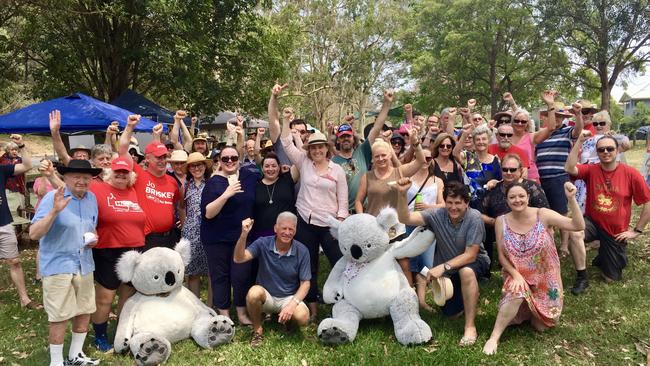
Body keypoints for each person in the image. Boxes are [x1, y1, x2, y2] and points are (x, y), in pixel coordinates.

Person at [482, 182, 585, 355]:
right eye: (512, 197)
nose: (517, 200)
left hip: (546, 278)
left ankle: (530, 311)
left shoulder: (542, 214)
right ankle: (494, 338)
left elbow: (578, 225)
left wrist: (571, 199)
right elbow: (501, 256)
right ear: (507, 201)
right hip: (517, 274)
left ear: (528, 198)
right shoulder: (501, 221)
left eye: (521, 196)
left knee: (541, 326)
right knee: (517, 292)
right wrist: (515, 275)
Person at [396, 180, 489, 347]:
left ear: (466, 203)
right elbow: (406, 218)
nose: (453, 207)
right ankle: (470, 295)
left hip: (475, 262)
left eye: (458, 203)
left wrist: (443, 266)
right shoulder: (437, 215)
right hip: (450, 270)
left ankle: (470, 327)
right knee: (450, 314)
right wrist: (402, 194)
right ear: (445, 202)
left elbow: (470, 255)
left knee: (466, 272)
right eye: (450, 203)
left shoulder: (474, 218)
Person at [29, 159, 102, 366]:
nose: (82, 181)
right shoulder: (53, 197)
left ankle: (75, 356)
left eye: (86, 177)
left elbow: (91, 227)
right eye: (76, 177)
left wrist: (93, 239)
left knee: (84, 310)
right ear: (66, 178)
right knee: (59, 315)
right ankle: (56, 362)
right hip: (58, 265)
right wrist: (54, 211)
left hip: (85, 263)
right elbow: (34, 234)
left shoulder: (92, 198)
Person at [281, 113, 348, 320]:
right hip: (306, 222)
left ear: (327, 148)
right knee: (308, 265)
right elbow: (285, 142)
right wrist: (285, 120)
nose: (317, 150)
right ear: (308, 150)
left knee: (339, 262)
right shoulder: (303, 162)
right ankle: (312, 308)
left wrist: (340, 223)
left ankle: (344, 303)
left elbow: (343, 201)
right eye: (313, 147)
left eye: (321, 147)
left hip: (329, 224)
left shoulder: (337, 170)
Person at [565, 133, 650, 284]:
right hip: (593, 223)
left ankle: (604, 256)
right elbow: (569, 167)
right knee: (574, 232)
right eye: (601, 149)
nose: (605, 152)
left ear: (617, 151)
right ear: (597, 152)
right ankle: (582, 276)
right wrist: (579, 141)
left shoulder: (631, 174)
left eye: (610, 149)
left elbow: (647, 202)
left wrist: (637, 231)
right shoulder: (592, 170)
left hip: (615, 231)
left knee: (610, 279)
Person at [88, 157, 145, 352]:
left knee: (128, 294)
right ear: (109, 172)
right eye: (117, 171)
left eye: (125, 172)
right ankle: (100, 336)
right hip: (108, 249)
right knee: (105, 297)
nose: (121, 175)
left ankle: (122, 332)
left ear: (131, 174)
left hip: (134, 249)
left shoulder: (134, 191)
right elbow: (72, 186)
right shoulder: (98, 188)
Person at [201, 145, 259, 325]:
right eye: (225, 159)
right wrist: (227, 194)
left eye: (233, 158)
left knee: (241, 275)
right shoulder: (213, 182)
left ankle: (241, 313)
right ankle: (224, 314)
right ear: (219, 161)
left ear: (239, 159)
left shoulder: (249, 177)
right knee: (220, 276)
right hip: (216, 238)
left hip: (242, 236)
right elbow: (208, 213)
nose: (229, 162)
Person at [235, 213, 311, 347]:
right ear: (276, 228)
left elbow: (305, 283)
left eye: (291, 229)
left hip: (289, 298)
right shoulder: (263, 243)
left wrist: (291, 306)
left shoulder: (302, 250)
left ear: (295, 230)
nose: (287, 233)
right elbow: (239, 258)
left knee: (303, 317)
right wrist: (243, 234)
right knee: (253, 293)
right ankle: (257, 329)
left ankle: (287, 321)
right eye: (284, 228)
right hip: (267, 296)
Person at [118, 115, 182, 250]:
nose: (162, 160)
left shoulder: (172, 182)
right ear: (147, 159)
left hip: (170, 237)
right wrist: (130, 126)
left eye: (164, 157)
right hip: (147, 239)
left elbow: (179, 206)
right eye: (158, 157)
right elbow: (123, 149)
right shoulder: (139, 176)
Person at [482, 154, 549, 268]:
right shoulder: (494, 189)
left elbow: (545, 212)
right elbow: (480, 213)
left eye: (512, 169)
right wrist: (495, 222)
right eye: (505, 169)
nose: (508, 172)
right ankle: (488, 266)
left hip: (529, 232)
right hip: (500, 231)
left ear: (521, 170)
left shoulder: (532, 187)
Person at [331, 90, 393, 212]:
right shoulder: (334, 162)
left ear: (353, 138)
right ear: (338, 140)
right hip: (346, 213)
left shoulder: (362, 151)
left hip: (367, 211)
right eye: (342, 137)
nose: (345, 139)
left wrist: (386, 104)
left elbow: (377, 127)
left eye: (348, 136)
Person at [0, 134, 39, 310]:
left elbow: (28, 165)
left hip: (3, 223)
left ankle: (24, 299)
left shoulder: (2, 169)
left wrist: (21, 145)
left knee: (14, 261)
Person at [406, 147, 445, 310]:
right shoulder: (407, 178)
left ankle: (422, 299)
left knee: (426, 263)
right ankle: (412, 298)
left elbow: (443, 205)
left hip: (429, 225)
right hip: (408, 224)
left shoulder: (437, 181)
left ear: (432, 161)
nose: (425, 161)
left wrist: (428, 206)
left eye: (429, 158)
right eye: (422, 157)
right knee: (409, 263)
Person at [182, 152, 213, 306]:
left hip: (209, 231)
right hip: (191, 233)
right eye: (193, 166)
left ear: (204, 166)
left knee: (211, 272)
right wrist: (184, 225)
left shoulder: (212, 183)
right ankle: (196, 306)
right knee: (193, 273)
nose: (196, 168)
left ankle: (210, 306)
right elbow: (181, 207)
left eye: (199, 165)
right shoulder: (186, 185)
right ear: (189, 169)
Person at [453, 124, 500, 210]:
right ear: (474, 142)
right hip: (468, 206)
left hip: (489, 205)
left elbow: (502, 181)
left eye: (484, 139)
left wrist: (495, 181)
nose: (481, 142)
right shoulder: (467, 156)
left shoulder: (496, 160)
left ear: (489, 141)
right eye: (477, 139)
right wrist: (464, 134)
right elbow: (455, 153)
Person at [252, 153, 298, 239]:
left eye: (274, 166)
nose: (270, 169)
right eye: (267, 166)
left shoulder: (287, 179)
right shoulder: (256, 185)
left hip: (287, 233)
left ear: (279, 167)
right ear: (262, 168)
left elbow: (300, 159)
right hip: (261, 236)